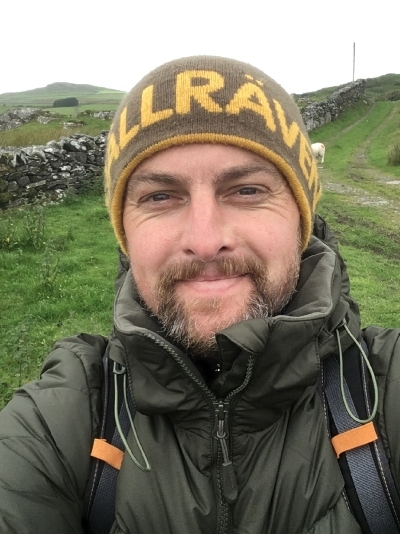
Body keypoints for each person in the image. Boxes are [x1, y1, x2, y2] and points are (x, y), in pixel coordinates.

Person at [0, 55, 399, 534]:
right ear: (123, 228)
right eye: (160, 197)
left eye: (248, 190)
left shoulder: (386, 392)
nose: (206, 239)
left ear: (301, 217)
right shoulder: (59, 419)